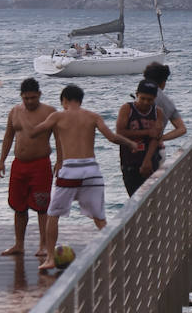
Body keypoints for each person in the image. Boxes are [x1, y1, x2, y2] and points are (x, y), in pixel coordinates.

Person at [25, 84, 136, 274]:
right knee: (100, 219)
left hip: (70, 171)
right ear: (80, 100)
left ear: (65, 100)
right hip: (92, 171)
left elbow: (35, 132)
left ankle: (50, 258)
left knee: (53, 215)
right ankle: (114, 257)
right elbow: (112, 137)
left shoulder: (58, 116)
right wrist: (130, 143)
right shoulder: (93, 116)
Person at [0, 77, 57, 257]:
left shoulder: (49, 112)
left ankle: (44, 245)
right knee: (18, 206)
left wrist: (61, 160)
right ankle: (19, 244)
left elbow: (59, 138)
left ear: (39, 94)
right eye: (26, 98)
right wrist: (2, 160)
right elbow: (8, 136)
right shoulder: (15, 111)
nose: (30, 101)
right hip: (19, 164)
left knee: (42, 206)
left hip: (40, 164)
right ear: (21, 96)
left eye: (33, 98)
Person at [116, 80, 164, 196]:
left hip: (151, 160)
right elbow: (120, 133)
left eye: (150, 100)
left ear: (155, 99)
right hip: (130, 161)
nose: (145, 102)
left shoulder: (157, 112)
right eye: (142, 98)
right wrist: (147, 132)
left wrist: (147, 161)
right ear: (137, 95)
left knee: (153, 197)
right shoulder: (127, 109)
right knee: (134, 197)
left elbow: (156, 137)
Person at [141, 61, 187, 145]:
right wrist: (161, 138)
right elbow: (182, 129)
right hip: (154, 146)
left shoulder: (140, 97)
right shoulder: (168, 102)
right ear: (163, 82)